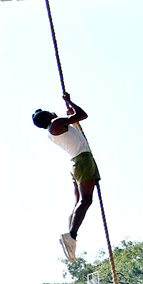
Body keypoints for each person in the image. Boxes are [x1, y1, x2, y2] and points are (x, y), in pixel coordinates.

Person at [32, 94, 96, 262]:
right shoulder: (55, 124)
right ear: (46, 117)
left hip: (76, 161)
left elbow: (77, 130)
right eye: (47, 111)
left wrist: (71, 116)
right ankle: (71, 236)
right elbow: (83, 114)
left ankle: (71, 238)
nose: (52, 111)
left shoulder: (54, 129)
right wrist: (70, 101)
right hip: (82, 160)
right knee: (86, 201)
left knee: (79, 203)